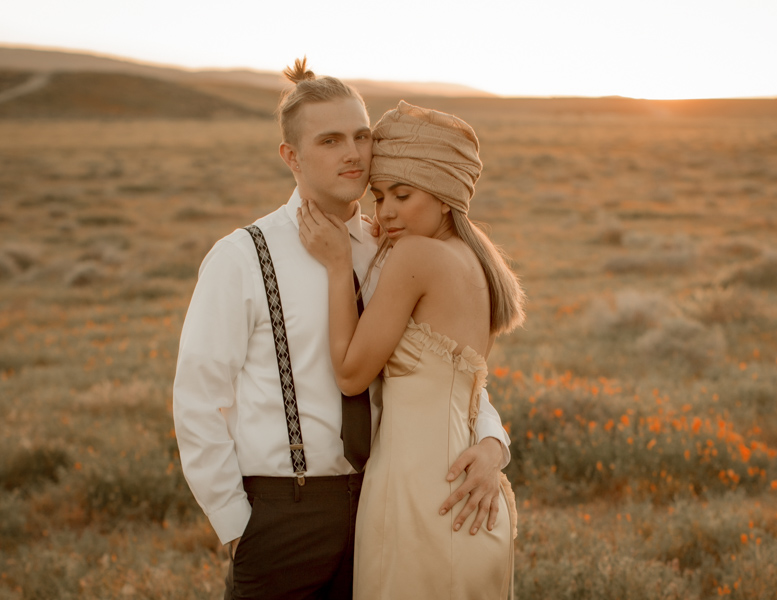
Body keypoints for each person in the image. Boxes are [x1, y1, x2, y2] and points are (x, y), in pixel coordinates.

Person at [172, 59, 511, 600]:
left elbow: (445, 365)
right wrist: (237, 525)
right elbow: (198, 399)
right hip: (285, 514)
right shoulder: (242, 257)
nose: (352, 153)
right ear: (292, 156)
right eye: (329, 140)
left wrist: (492, 443)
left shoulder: (393, 246)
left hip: (386, 505)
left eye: (360, 135)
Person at [298, 100, 525, 599]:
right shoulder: (480, 265)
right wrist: (493, 447)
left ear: (445, 197)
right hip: (471, 499)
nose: (387, 212)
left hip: (420, 497)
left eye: (403, 195)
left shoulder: (416, 256)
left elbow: (352, 374)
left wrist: (339, 267)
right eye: (379, 197)